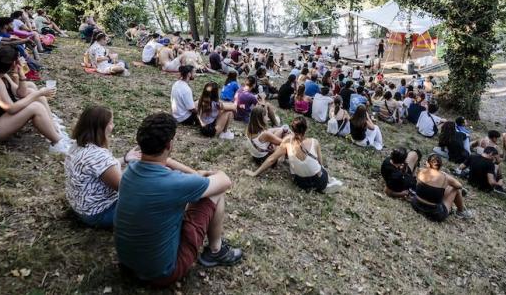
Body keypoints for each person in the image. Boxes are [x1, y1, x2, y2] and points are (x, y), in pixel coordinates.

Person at [114, 113, 243, 287]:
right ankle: (215, 250)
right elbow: (225, 181)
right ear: (169, 144)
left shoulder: (130, 171)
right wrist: (208, 174)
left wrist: (195, 175)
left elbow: (164, 162)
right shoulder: (174, 183)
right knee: (215, 193)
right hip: (162, 273)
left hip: (128, 264)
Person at [0, 45, 71, 152]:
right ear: (14, 63)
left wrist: (21, 75)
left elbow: (20, 93)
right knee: (35, 106)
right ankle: (58, 144)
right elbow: (11, 109)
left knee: (32, 94)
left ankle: (55, 131)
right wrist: (39, 93)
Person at [65, 106, 141, 228]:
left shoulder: (77, 145)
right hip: (100, 213)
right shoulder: (98, 156)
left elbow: (99, 168)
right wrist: (137, 167)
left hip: (81, 206)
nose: (113, 126)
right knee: (151, 204)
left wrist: (125, 159)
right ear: (100, 128)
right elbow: (126, 188)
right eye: (111, 123)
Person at [244, 116, 343, 193]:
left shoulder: (287, 141)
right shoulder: (314, 142)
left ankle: (326, 183)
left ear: (292, 128)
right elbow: (320, 165)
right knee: (321, 169)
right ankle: (327, 183)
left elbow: (271, 159)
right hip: (318, 180)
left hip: (300, 182)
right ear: (306, 129)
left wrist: (255, 173)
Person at [412, 154, 473, 221]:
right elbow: (459, 186)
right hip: (434, 214)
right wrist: (445, 175)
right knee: (455, 189)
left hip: (416, 205)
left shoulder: (421, 171)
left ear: (427, 163)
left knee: (435, 188)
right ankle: (461, 212)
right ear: (440, 166)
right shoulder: (445, 177)